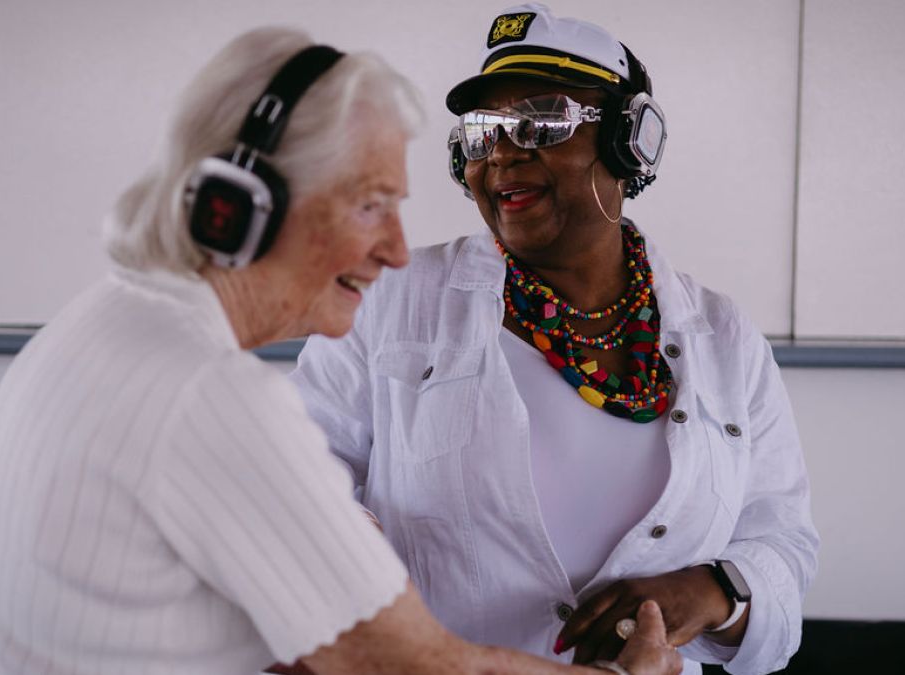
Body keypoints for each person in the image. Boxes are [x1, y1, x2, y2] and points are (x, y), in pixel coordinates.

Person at [0, 26, 681, 675]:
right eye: (369, 205)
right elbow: (415, 668)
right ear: (245, 202)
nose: (396, 250)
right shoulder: (215, 397)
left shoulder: (95, 325)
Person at [289, 5, 819, 675]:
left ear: (632, 141)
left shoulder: (724, 338)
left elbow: (783, 542)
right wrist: (347, 562)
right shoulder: (388, 301)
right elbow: (294, 485)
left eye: (542, 120)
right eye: (483, 132)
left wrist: (714, 590)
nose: (504, 150)